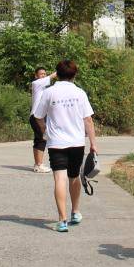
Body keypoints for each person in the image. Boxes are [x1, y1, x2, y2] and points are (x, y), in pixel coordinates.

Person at [31, 59, 97, 232]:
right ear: (74, 75)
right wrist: (93, 144)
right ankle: (75, 211)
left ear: (57, 74)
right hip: (77, 142)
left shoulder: (49, 92)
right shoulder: (80, 93)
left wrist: (45, 130)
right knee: (74, 177)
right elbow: (88, 120)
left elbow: (38, 115)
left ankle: (62, 220)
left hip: (56, 143)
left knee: (59, 178)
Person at [28, 67, 55, 173]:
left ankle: (37, 163)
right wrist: (63, 69)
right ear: (36, 76)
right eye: (41, 74)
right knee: (41, 140)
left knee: (39, 139)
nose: (43, 76)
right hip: (37, 116)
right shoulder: (36, 84)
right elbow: (52, 76)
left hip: (39, 116)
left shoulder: (44, 88)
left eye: (45, 74)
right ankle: (39, 165)